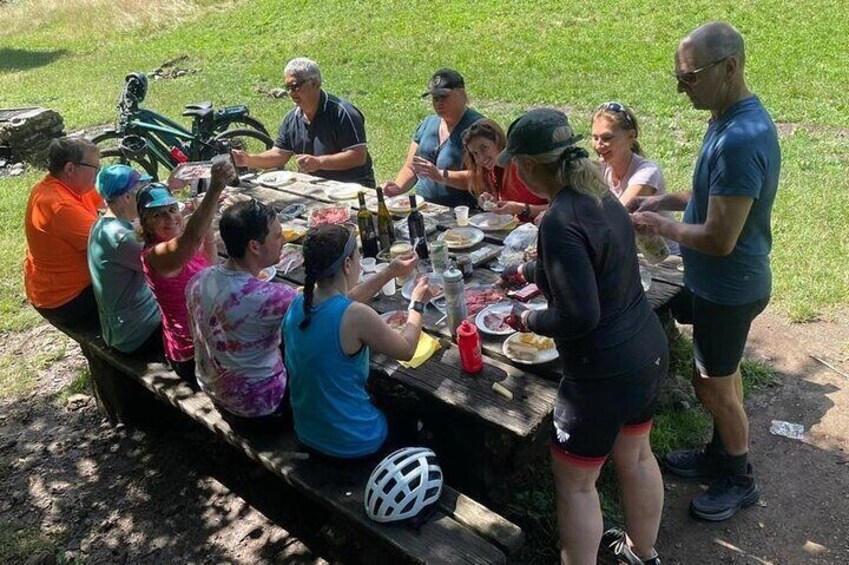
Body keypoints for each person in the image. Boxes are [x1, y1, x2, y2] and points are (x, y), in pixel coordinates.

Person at [498, 108, 668, 565]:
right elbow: (596, 265)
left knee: (576, 483)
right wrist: (530, 271)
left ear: (530, 166)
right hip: (646, 352)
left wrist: (526, 321)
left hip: (601, 373)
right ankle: (642, 553)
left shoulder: (557, 219)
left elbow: (579, 316)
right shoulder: (600, 194)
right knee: (635, 457)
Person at [630, 22, 780, 522]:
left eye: (690, 77)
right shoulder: (725, 119)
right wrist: (669, 200)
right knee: (720, 375)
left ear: (730, 68)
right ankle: (720, 454)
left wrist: (660, 226)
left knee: (713, 384)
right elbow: (716, 197)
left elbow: (720, 236)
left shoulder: (740, 137)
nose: (680, 88)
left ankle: (740, 479)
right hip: (721, 283)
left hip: (728, 286)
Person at [282, 224, 430, 461]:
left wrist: (388, 272)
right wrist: (417, 304)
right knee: (415, 412)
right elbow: (407, 349)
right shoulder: (356, 316)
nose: (360, 262)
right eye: (358, 255)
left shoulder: (298, 302)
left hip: (308, 434)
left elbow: (341, 301)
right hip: (355, 443)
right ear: (347, 264)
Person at [186, 199, 297, 431]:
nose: (283, 240)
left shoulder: (199, 280)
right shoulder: (271, 296)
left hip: (213, 387)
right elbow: (332, 309)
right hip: (260, 405)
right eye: (277, 236)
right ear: (254, 246)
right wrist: (387, 273)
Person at [139, 160, 235, 384]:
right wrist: (215, 188)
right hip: (192, 355)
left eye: (172, 209)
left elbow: (211, 274)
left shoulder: (180, 244)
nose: (170, 218)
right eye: (158, 215)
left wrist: (206, 231)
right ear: (145, 224)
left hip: (210, 338)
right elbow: (191, 240)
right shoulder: (156, 255)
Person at [232, 57, 376, 187]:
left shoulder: (343, 112)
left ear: (314, 83)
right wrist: (248, 159)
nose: (291, 93)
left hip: (353, 188)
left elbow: (358, 156)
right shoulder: (291, 119)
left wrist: (318, 163)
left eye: (295, 86)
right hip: (315, 187)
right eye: (287, 88)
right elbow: (279, 155)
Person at [24, 137, 103, 332]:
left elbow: (112, 198)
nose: (98, 172)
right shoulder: (60, 206)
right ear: (70, 168)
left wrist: (164, 187)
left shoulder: (70, 185)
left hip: (56, 288)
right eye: (95, 167)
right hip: (66, 299)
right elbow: (111, 247)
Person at [87, 165, 161, 353]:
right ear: (127, 197)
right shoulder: (120, 238)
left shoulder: (103, 224)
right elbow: (168, 265)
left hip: (123, 325)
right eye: (140, 192)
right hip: (136, 332)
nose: (145, 198)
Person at [383, 69, 484, 207]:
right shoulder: (428, 124)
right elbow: (411, 167)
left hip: (461, 213)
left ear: (461, 94)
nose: (438, 103)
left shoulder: (478, 128)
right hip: (425, 208)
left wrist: (441, 176)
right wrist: (397, 188)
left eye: (444, 97)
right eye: (435, 98)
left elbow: (483, 178)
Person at [591, 101, 679, 255]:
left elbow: (617, 215)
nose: (599, 145)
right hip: (628, 253)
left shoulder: (647, 172)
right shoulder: (601, 168)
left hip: (664, 259)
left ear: (630, 137)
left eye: (607, 138)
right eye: (595, 137)